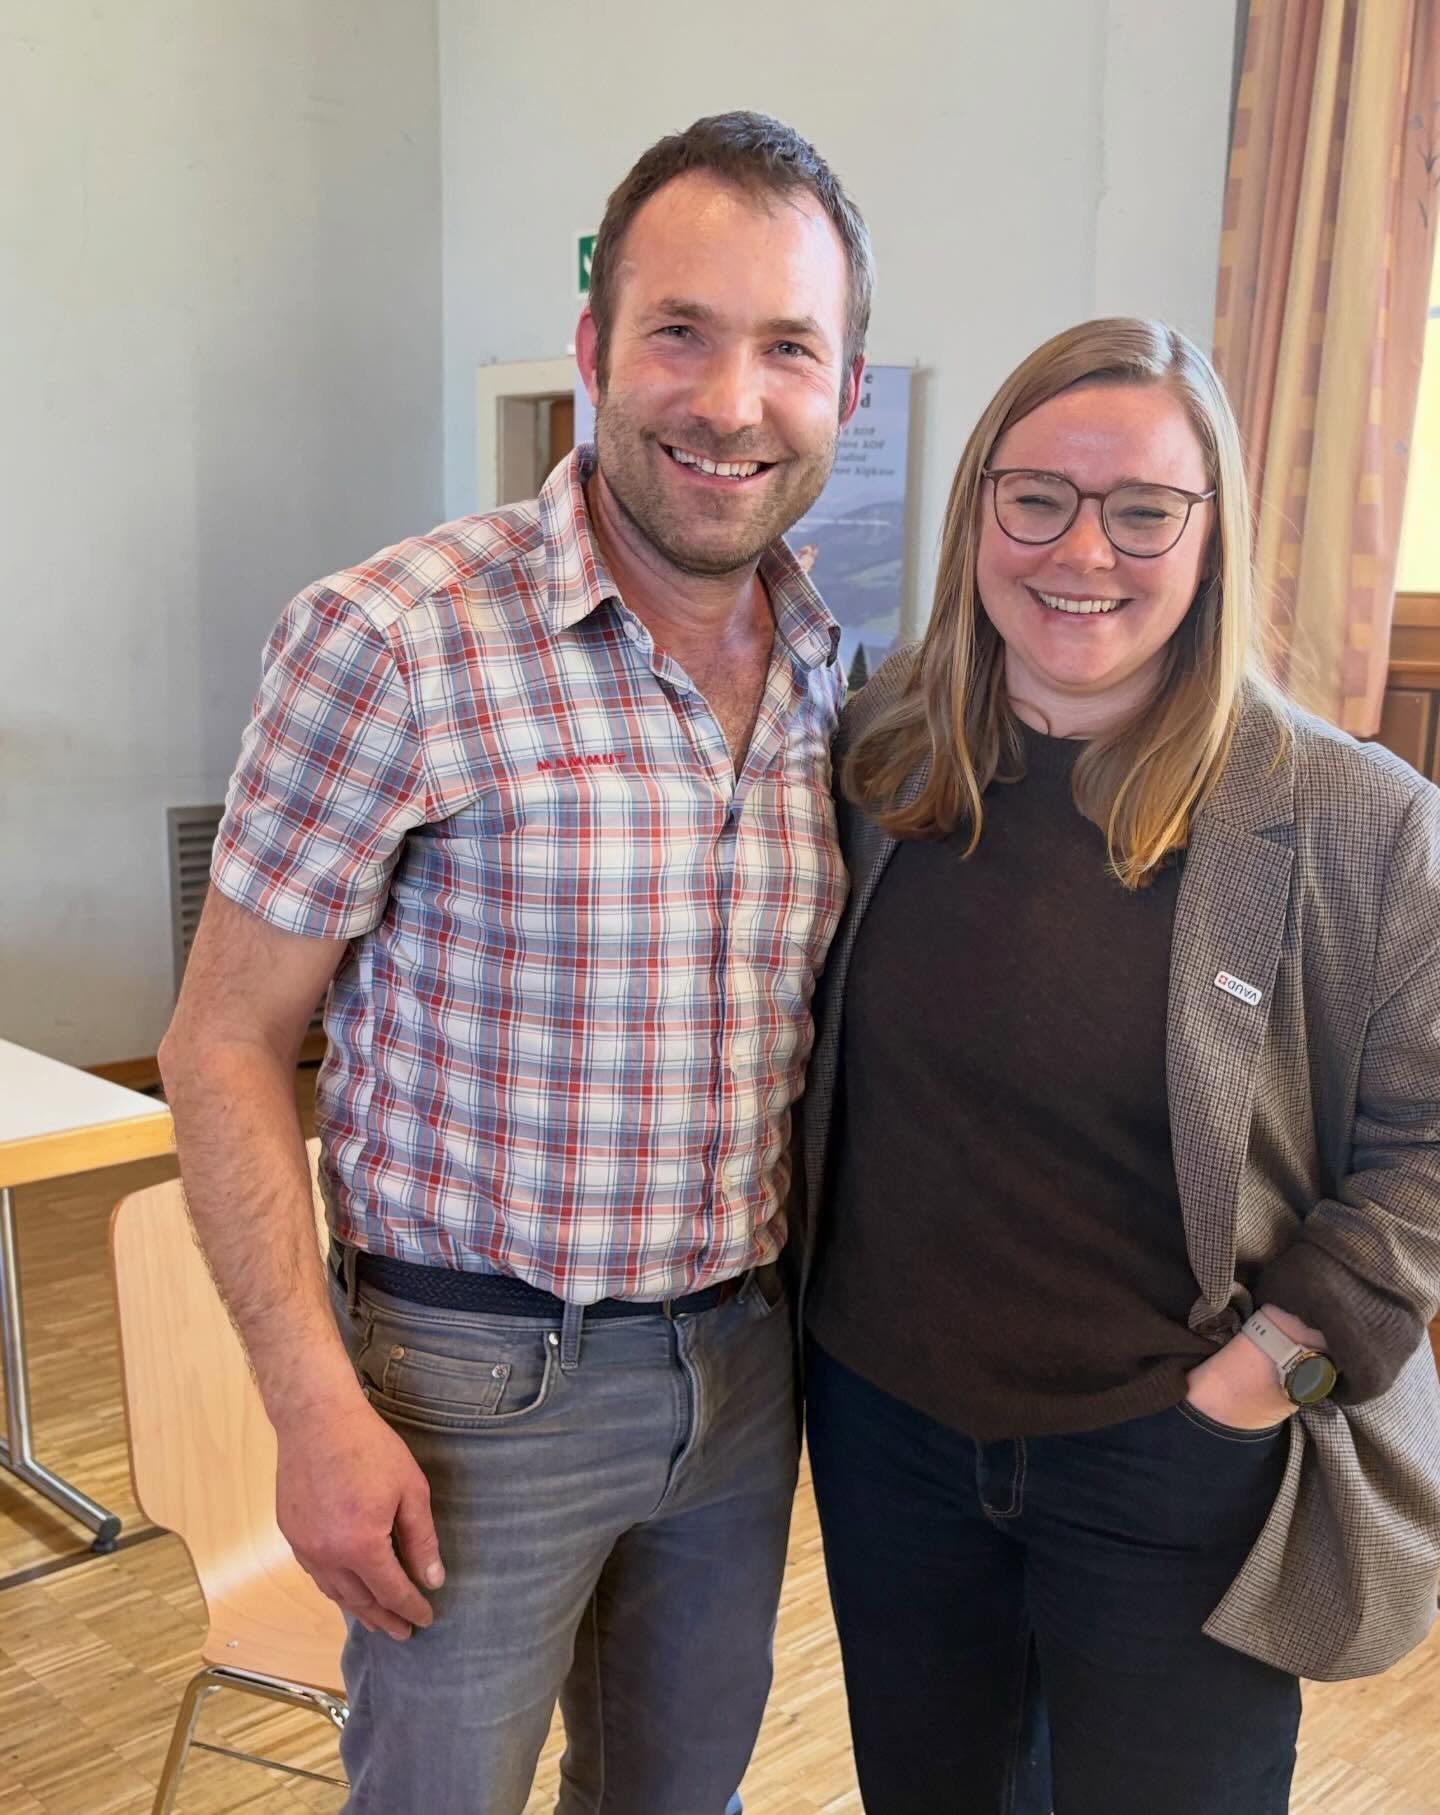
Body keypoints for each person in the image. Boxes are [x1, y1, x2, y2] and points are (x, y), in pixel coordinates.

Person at [159, 110, 871, 1814]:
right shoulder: (394, 637)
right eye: (680, 331)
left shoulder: (843, 670)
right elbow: (222, 1045)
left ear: (841, 385)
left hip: (741, 1368)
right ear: (593, 352)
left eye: (790, 347)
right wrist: (313, 1410)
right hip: (471, 1391)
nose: (729, 399)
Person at [796, 317, 1440, 1814]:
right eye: (1038, 498)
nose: (1083, 550)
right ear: (978, 518)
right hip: (890, 1437)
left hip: (1175, 1455)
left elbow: (1427, 1143)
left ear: (1209, 537)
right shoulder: (877, 761)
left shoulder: (1353, 821)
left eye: (1144, 509)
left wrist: (1260, 1374)